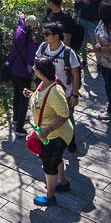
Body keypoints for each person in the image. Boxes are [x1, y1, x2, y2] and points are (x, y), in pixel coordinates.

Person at [23, 55, 74, 206]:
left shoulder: (55, 91)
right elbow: (44, 101)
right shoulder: (44, 83)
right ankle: (63, 183)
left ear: (40, 72)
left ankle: (50, 197)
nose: (33, 69)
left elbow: (64, 115)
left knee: (49, 166)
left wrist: (48, 129)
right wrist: (31, 95)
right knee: (56, 159)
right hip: (48, 133)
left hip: (55, 135)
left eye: (35, 68)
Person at [35, 22, 82, 152]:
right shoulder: (43, 48)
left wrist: (75, 94)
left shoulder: (68, 53)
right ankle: (52, 141)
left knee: (67, 118)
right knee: (50, 118)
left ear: (56, 36)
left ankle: (71, 141)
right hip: (48, 93)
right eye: (44, 34)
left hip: (65, 94)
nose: (44, 37)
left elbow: (76, 75)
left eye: (47, 34)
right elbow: (37, 65)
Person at [6, 10, 38, 134]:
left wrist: (22, 16)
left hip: (13, 70)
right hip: (24, 74)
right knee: (24, 99)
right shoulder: (30, 43)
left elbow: (20, 22)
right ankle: (20, 127)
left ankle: (15, 118)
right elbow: (30, 65)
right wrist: (34, 75)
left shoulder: (18, 31)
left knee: (16, 94)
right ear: (35, 29)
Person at [74, 0, 101, 72]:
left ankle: (99, 62)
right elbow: (77, 7)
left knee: (95, 43)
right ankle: (84, 61)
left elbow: (92, 5)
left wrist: (83, 0)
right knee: (82, 43)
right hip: (82, 21)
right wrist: (77, 1)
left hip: (92, 22)